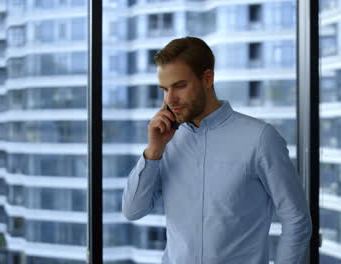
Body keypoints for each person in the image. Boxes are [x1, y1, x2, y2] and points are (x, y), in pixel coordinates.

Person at [122, 36, 311, 264]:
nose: (170, 99)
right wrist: (153, 151)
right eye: (164, 89)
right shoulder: (165, 141)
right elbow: (132, 211)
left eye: (180, 86)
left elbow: (296, 219)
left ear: (207, 78)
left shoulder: (260, 138)